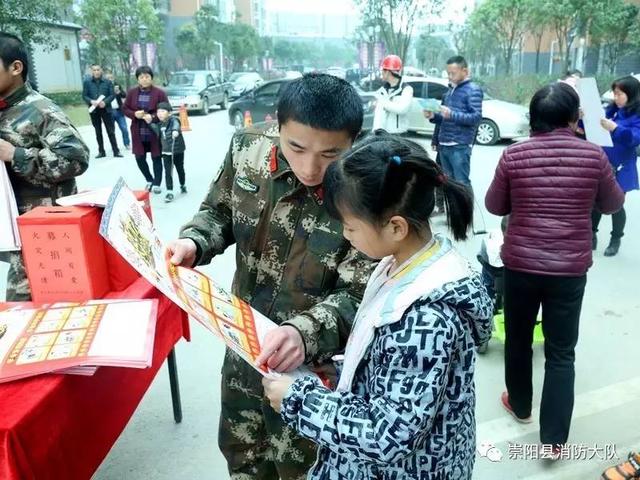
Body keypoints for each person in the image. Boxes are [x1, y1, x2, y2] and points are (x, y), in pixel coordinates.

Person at [166, 73, 375, 479]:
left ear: (352, 141)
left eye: (330, 154)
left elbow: (363, 290)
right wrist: (194, 242)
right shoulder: (248, 149)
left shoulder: (365, 185)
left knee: (304, 465)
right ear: (277, 126)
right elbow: (219, 211)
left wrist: (304, 333)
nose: (310, 168)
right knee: (242, 452)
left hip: (315, 370)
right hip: (244, 343)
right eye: (296, 147)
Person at [262, 131, 493, 479]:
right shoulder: (403, 264)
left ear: (396, 227)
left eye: (351, 227)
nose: (346, 235)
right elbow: (398, 377)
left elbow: (387, 436)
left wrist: (299, 400)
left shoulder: (425, 320)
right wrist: (344, 373)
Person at [485, 82, 624, 457]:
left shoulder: (514, 155)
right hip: (569, 270)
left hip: (521, 267)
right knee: (562, 352)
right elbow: (613, 204)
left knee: (518, 340)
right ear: (573, 118)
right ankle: (554, 442)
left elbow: (495, 206)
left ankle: (521, 405)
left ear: (533, 119)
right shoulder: (594, 157)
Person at [0, 32, 89, 301]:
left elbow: (76, 159)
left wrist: (17, 155)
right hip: (14, 232)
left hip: (44, 235)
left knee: (31, 315)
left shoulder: (39, 110)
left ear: (16, 68)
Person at [592, 75, 640, 257]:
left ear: (632, 94)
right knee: (595, 202)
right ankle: (592, 235)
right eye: (615, 93)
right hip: (602, 165)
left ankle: (616, 239)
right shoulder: (611, 111)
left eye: (620, 94)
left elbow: (635, 139)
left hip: (622, 168)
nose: (616, 97)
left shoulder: (636, 116)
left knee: (616, 204)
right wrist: (582, 118)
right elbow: (591, 128)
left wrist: (615, 129)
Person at [424, 55, 483, 189]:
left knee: (462, 183)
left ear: (465, 71)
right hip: (444, 143)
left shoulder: (473, 90)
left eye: (453, 73)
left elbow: (476, 117)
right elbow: (444, 118)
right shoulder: (451, 90)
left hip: (460, 145)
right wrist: (433, 116)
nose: (450, 76)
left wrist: (451, 114)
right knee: (448, 183)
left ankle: (465, 210)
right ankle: (452, 209)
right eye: (448, 73)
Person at [123, 66, 168, 193]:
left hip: (154, 132)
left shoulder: (159, 93)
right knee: (139, 157)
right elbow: (125, 108)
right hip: (138, 131)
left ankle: (157, 183)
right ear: (137, 79)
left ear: (151, 78)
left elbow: (166, 109)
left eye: (147, 76)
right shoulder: (132, 93)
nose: (144, 79)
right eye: (141, 77)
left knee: (157, 157)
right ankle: (149, 179)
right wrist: (134, 114)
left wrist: (153, 116)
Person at [148, 102, 186, 203]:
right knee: (168, 172)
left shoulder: (174, 120)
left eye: (163, 111)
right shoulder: (160, 125)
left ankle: (182, 184)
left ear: (169, 113)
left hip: (177, 150)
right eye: (158, 111)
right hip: (165, 152)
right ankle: (170, 192)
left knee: (179, 169)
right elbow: (156, 130)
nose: (160, 113)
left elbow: (176, 125)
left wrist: (175, 131)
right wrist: (149, 123)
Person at [82, 64, 122, 158]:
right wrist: (91, 101)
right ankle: (101, 151)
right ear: (92, 71)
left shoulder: (108, 82)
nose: (96, 72)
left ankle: (116, 151)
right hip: (94, 110)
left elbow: (112, 95)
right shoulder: (87, 82)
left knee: (111, 131)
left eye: (98, 70)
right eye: (94, 70)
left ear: (101, 71)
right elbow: (84, 96)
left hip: (106, 109)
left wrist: (105, 102)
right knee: (98, 131)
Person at [372, 54, 413, 135]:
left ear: (388, 72)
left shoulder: (406, 89)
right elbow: (377, 117)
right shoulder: (382, 90)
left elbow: (402, 109)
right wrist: (375, 131)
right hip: (381, 134)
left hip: (398, 135)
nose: (382, 73)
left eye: (383, 70)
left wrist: (382, 103)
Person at [105, 72, 130, 150]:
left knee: (124, 128)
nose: (110, 79)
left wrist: (119, 92)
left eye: (111, 78)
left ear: (113, 78)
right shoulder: (104, 87)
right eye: (108, 78)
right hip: (109, 111)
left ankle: (127, 143)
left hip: (119, 111)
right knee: (111, 131)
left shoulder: (117, 85)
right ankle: (114, 146)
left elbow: (124, 95)